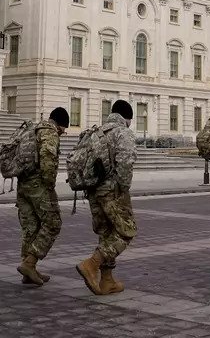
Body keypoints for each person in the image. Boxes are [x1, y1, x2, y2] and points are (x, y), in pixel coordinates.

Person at [76, 99, 137, 296]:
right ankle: (91, 264)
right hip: (112, 191)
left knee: (107, 233)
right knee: (126, 232)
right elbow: (125, 164)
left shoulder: (97, 131)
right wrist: (123, 189)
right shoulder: (123, 132)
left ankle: (107, 281)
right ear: (127, 118)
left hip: (93, 190)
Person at [16, 106, 68, 286]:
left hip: (22, 184)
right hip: (39, 185)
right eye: (64, 129)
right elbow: (48, 157)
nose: (63, 133)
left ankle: (28, 270)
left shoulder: (32, 129)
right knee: (53, 224)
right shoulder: (49, 132)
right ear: (60, 125)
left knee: (31, 227)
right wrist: (50, 183)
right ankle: (29, 263)